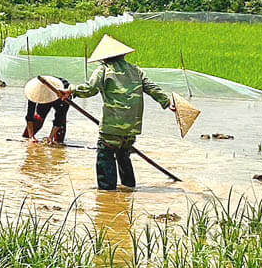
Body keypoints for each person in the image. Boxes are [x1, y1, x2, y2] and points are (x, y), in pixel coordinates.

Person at [62, 35, 176, 190]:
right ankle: (129, 189)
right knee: (123, 154)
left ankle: (107, 193)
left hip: (112, 126)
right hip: (131, 127)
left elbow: (90, 89)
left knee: (106, 155)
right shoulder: (136, 71)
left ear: (104, 58)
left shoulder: (104, 70)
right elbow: (152, 88)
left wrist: (71, 90)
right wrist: (167, 102)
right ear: (123, 55)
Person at [24, 77, 70, 145]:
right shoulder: (34, 91)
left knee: (60, 126)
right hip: (44, 97)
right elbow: (29, 115)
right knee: (39, 118)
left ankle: (56, 140)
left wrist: (50, 138)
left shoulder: (64, 91)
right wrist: (31, 137)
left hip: (60, 95)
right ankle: (28, 136)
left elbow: (60, 116)